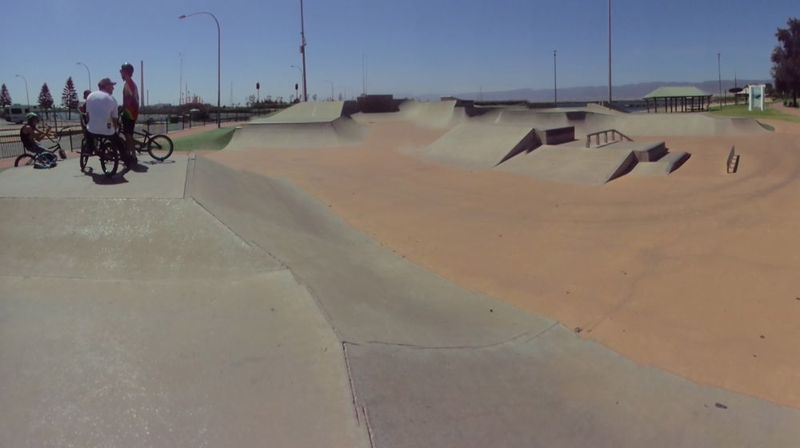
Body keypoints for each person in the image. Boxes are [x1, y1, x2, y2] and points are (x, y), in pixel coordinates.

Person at [86, 78, 126, 162]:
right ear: (106, 86)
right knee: (119, 144)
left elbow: (88, 116)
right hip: (107, 131)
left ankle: (89, 149)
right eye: (112, 86)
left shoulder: (90, 96)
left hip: (92, 130)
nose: (113, 88)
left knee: (87, 131)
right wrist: (115, 130)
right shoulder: (112, 99)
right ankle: (125, 160)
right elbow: (114, 119)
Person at [120, 62, 139, 165]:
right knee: (128, 135)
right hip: (130, 113)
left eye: (121, 71)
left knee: (128, 136)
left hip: (129, 114)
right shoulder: (129, 83)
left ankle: (133, 156)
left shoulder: (129, 84)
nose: (120, 74)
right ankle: (130, 154)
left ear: (125, 72)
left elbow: (130, 100)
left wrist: (121, 110)